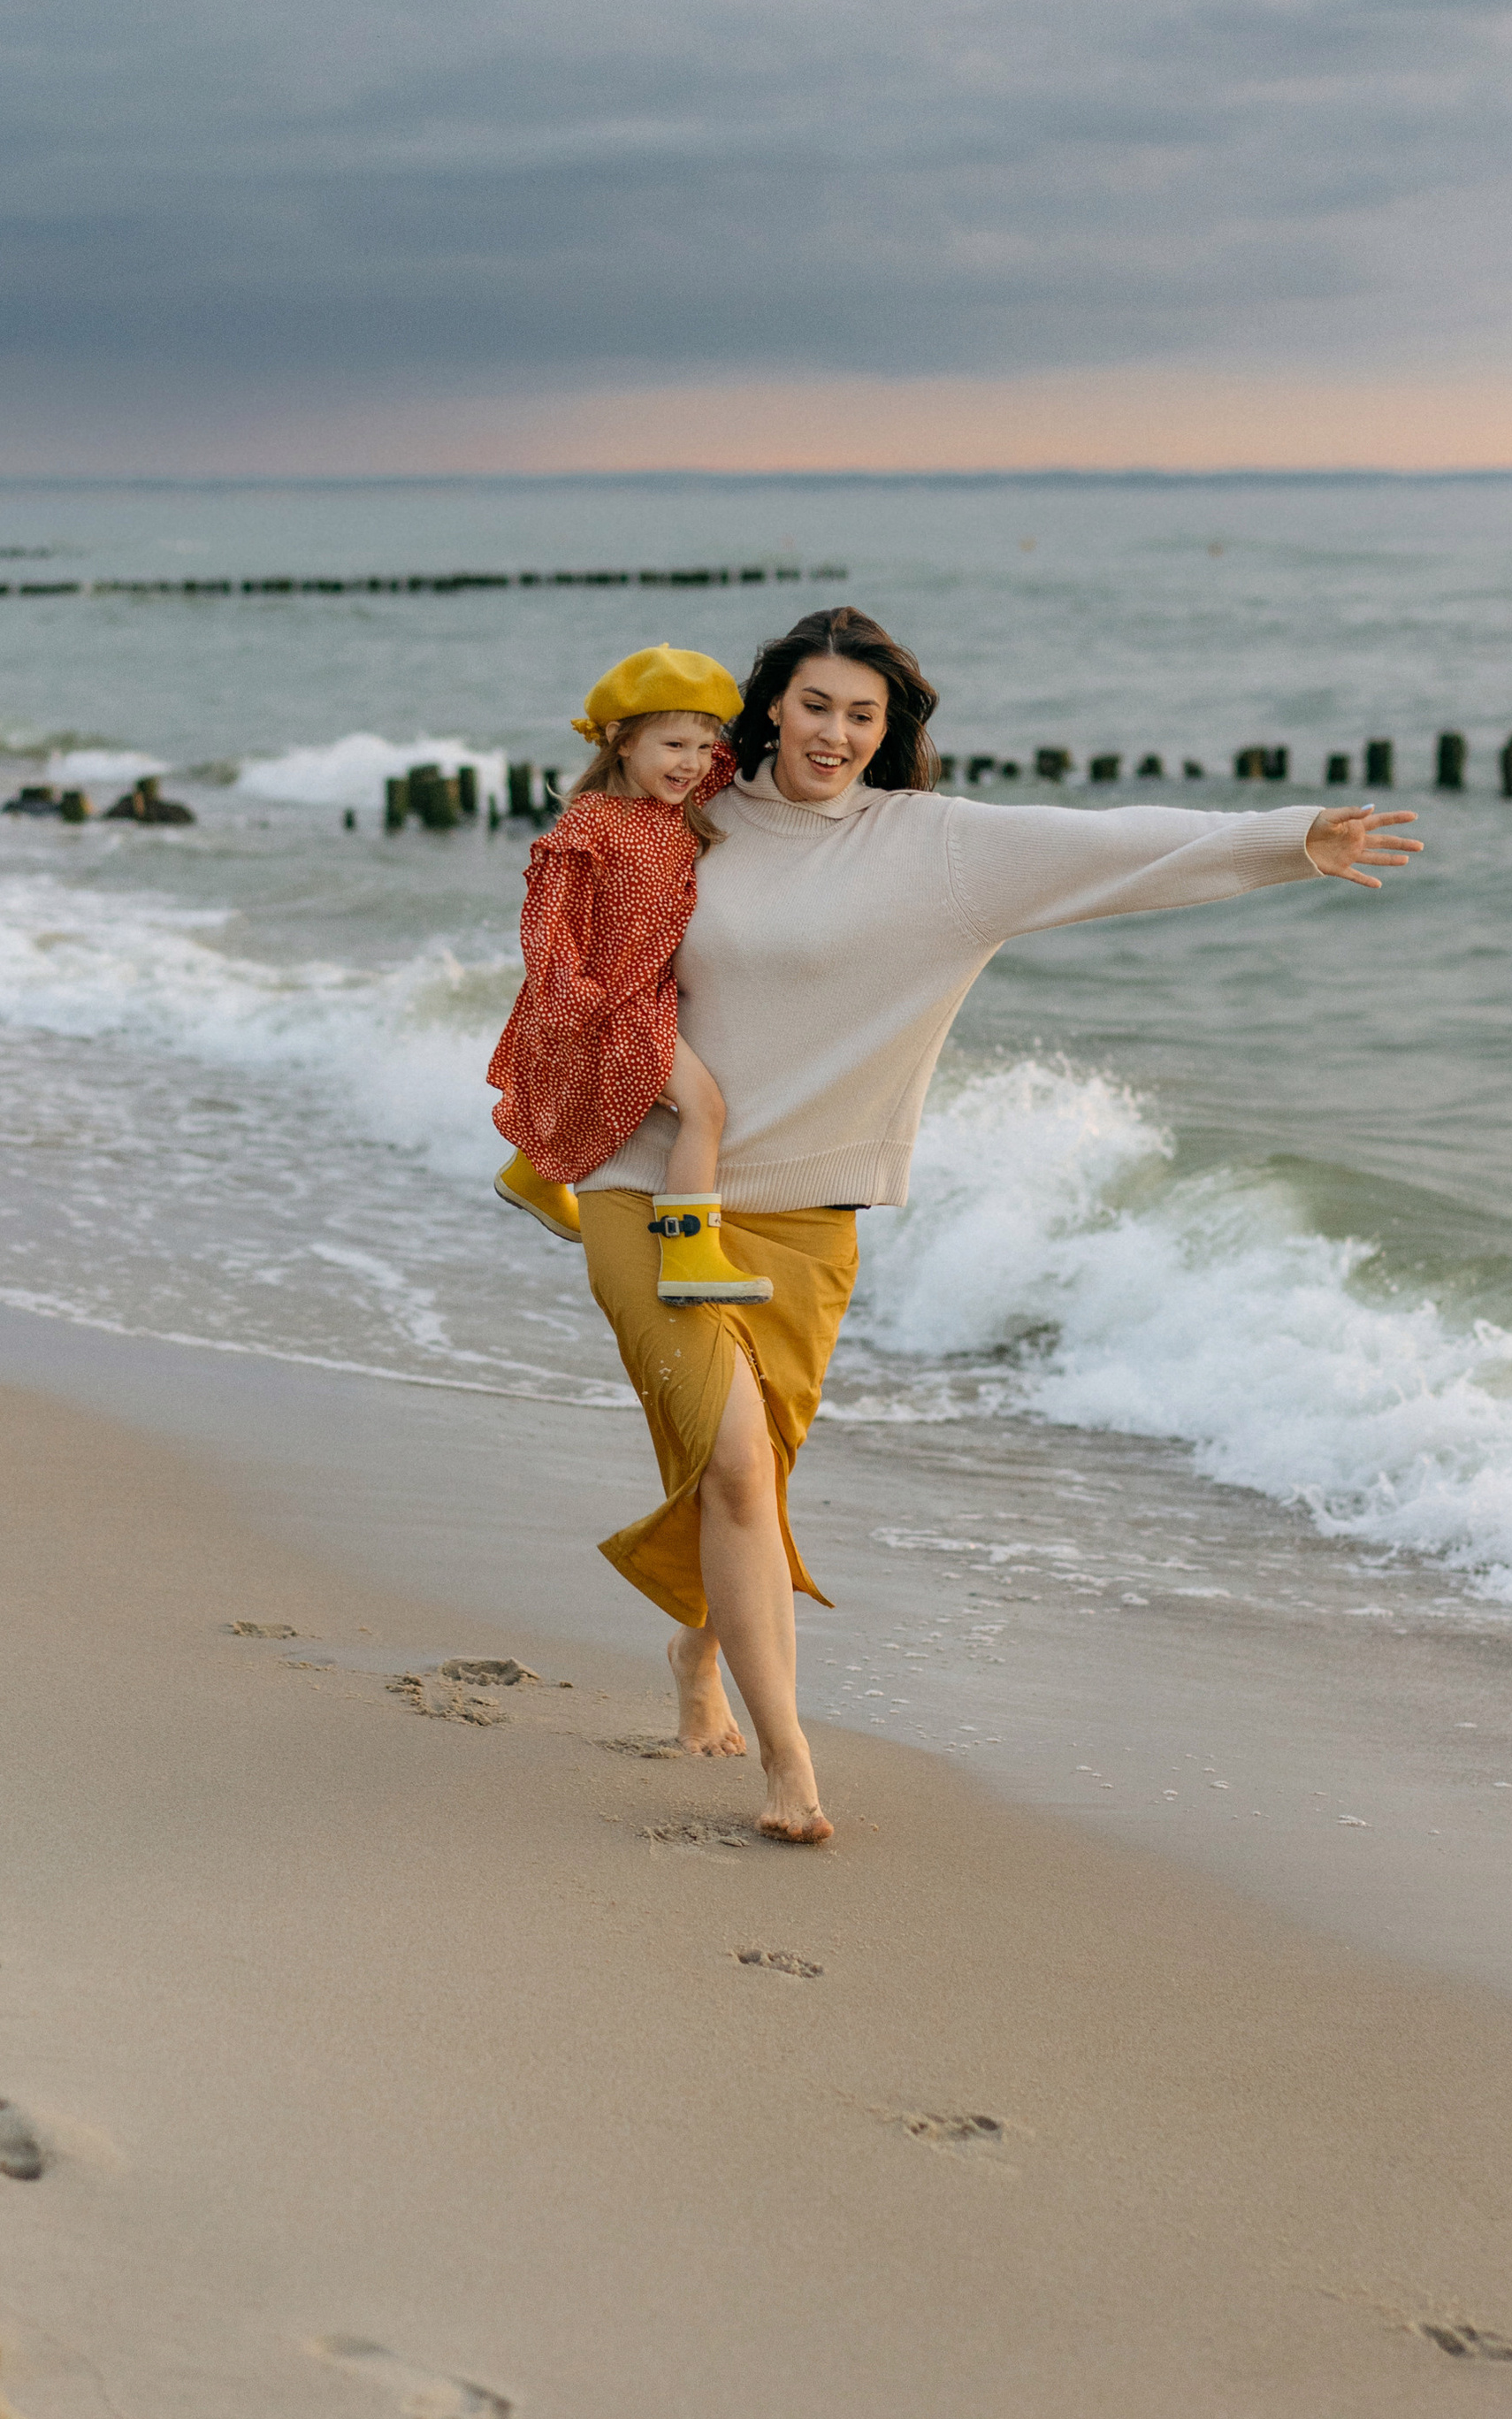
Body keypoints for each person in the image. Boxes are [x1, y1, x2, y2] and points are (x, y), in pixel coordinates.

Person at [569, 603, 1422, 1847]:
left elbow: (1113, 847)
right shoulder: (691, 813)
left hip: (807, 1214)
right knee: (739, 1468)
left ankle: (699, 1653)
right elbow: (574, 921)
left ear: (889, 730)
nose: (836, 734)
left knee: (745, 1476)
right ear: (770, 708)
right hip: (649, 1189)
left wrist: (1287, 839)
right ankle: (791, 1766)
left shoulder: (936, 851)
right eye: (814, 705)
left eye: (864, 715)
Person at [487, 646, 774, 1306]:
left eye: (703, 746)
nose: (693, 763)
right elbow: (546, 917)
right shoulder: (593, 820)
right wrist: (572, 1000)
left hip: (648, 993)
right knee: (705, 1109)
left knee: (608, 1101)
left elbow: (740, 758)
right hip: (610, 1002)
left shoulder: (676, 804)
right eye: (674, 743)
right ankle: (690, 1254)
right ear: (620, 740)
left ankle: (532, 1175)